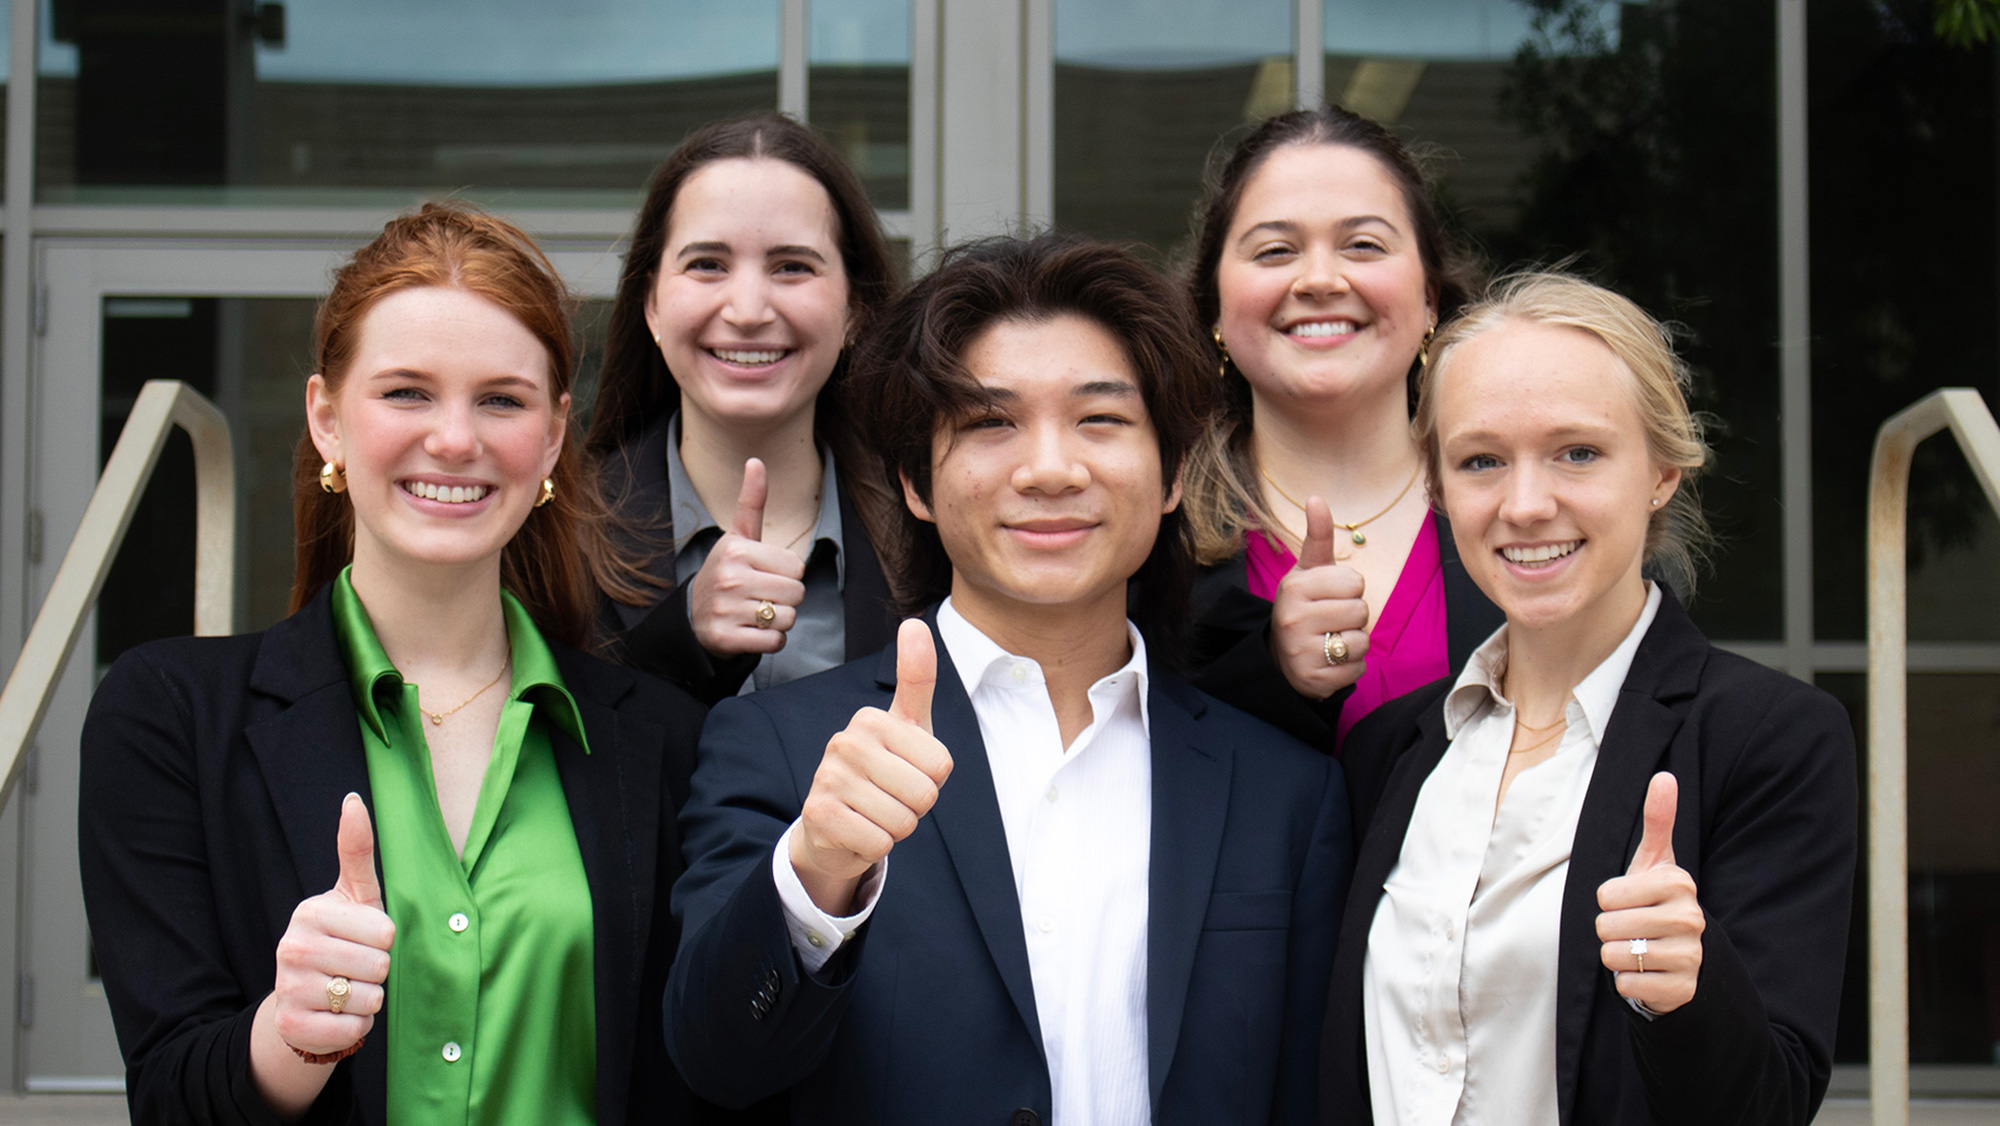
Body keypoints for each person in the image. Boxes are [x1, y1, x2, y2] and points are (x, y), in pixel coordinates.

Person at [666, 233, 1352, 1125]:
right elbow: (715, 1061)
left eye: (1100, 420)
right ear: (915, 479)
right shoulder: (786, 749)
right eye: (991, 423)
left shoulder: (1286, 794)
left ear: (1175, 471)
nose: (1051, 470)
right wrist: (816, 871)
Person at [78, 203, 707, 1126]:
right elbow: (170, 1097)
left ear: (553, 436)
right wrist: (288, 1033)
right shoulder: (167, 715)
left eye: (501, 398)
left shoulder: (662, 739)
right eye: (406, 392)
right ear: (326, 418)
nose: (455, 439)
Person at [1318, 272, 1857, 1125]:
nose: (1527, 505)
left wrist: (1685, 990)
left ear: (1663, 471)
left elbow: (1774, 1104)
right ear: (1439, 488)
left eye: (1578, 452)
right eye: (1481, 461)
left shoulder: (1770, 739)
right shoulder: (1390, 749)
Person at [1180, 106, 1503, 752]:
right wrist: (1268, 668)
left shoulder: (1524, 507)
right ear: (1214, 304)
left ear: (1430, 298)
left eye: (1363, 245)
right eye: (1275, 251)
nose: (1321, 280)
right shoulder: (1151, 538)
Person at [587, 113, 900, 704]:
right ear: (650, 301)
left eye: (793, 267)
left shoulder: (933, 538)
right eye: (707, 264)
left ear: (855, 309)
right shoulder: (554, 534)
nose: (749, 309)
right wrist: (683, 636)